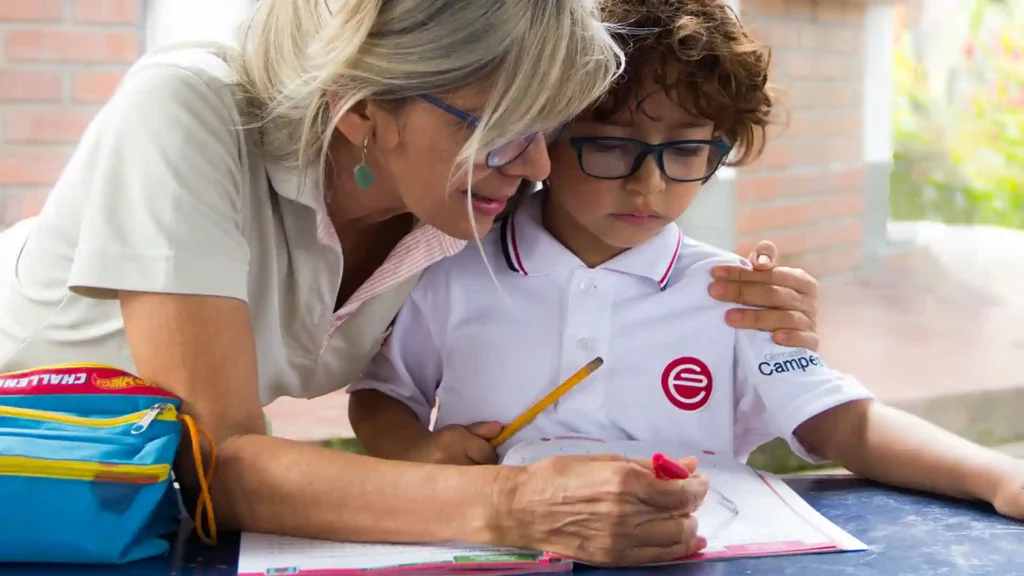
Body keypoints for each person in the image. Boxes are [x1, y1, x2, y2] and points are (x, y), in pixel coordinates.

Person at [0, 0, 820, 567]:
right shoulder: (185, 110)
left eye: (548, 132)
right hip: (35, 476)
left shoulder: (469, 190)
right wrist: (514, 506)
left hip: (124, 507)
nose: (537, 167)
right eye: (504, 134)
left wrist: (756, 305)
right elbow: (221, 465)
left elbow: (611, 254)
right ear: (361, 109)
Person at [347, 0, 1024, 546]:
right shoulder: (453, 268)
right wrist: (414, 449)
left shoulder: (734, 295)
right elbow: (383, 394)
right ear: (545, 137)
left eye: (687, 151)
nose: (650, 185)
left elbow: (841, 424)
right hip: (497, 551)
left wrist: (997, 475)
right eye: (613, 147)